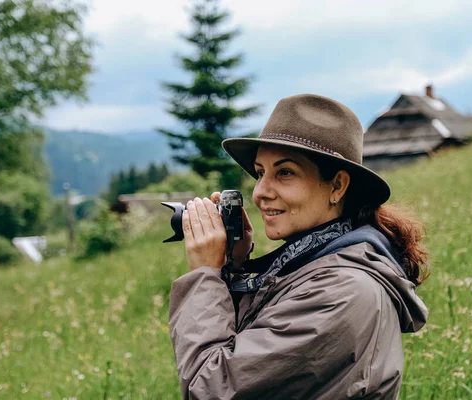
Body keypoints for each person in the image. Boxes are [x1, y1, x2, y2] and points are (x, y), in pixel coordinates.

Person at [168, 94, 429, 399]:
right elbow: (255, 349)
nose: (260, 193)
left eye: (285, 172)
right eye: (260, 172)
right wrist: (233, 268)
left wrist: (205, 274)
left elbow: (208, 386)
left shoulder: (342, 291)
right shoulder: (314, 265)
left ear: (337, 186)